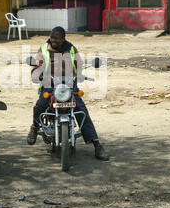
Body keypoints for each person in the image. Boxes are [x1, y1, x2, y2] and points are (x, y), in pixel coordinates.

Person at [27, 26, 109, 161]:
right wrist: (38, 75)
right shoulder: (43, 49)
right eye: (51, 37)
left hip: (69, 85)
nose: (52, 40)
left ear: (63, 39)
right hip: (50, 85)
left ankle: (97, 144)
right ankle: (35, 127)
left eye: (56, 38)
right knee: (39, 106)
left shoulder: (71, 49)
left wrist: (79, 75)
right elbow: (37, 66)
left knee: (82, 111)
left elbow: (79, 65)